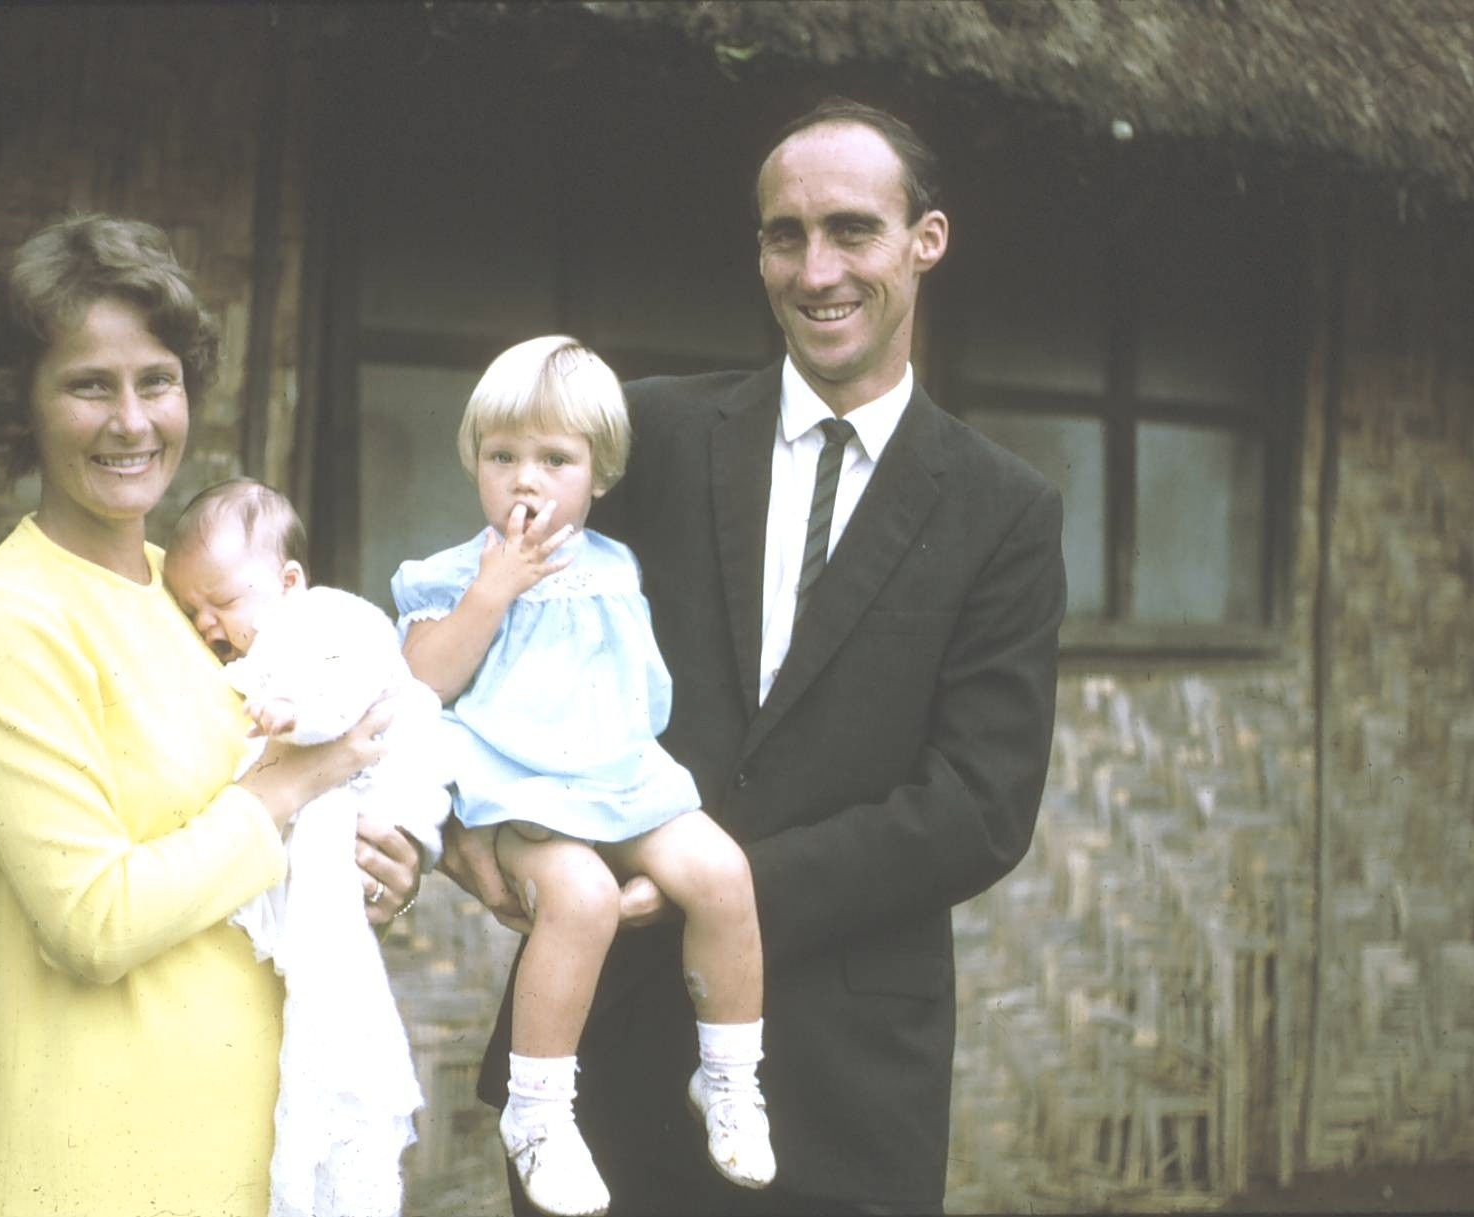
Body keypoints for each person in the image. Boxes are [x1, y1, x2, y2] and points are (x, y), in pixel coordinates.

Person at [438, 98, 1067, 1215]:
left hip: (847, 1075)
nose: (816, 270)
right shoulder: (643, 435)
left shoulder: (1003, 510)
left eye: (852, 230)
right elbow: (489, 623)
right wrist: (458, 826)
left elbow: (979, 806)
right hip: (607, 1054)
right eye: (787, 235)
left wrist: (706, 884)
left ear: (926, 240)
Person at [0, 214, 420, 1217]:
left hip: (253, 1159)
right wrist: (293, 786)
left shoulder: (200, 600)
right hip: (100, 1167)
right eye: (89, 385)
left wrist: (374, 863)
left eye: (156, 380)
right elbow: (93, 920)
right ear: (21, 401)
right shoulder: (10, 617)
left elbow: (284, 815)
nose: (132, 421)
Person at [393, 336, 777, 1217]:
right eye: (502, 456)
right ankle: (538, 1111)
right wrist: (491, 592)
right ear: (473, 461)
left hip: (619, 774)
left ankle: (729, 1075)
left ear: (599, 473)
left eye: (554, 460)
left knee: (724, 872)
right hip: (518, 786)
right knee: (583, 896)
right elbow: (419, 684)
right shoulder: (448, 575)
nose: (525, 480)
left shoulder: (615, 566)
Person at [163, 477, 453, 1217]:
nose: (206, 623)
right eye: (192, 611)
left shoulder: (328, 618)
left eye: (221, 601)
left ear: (288, 581)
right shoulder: (239, 656)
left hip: (381, 789)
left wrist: (297, 716)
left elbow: (357, 687)